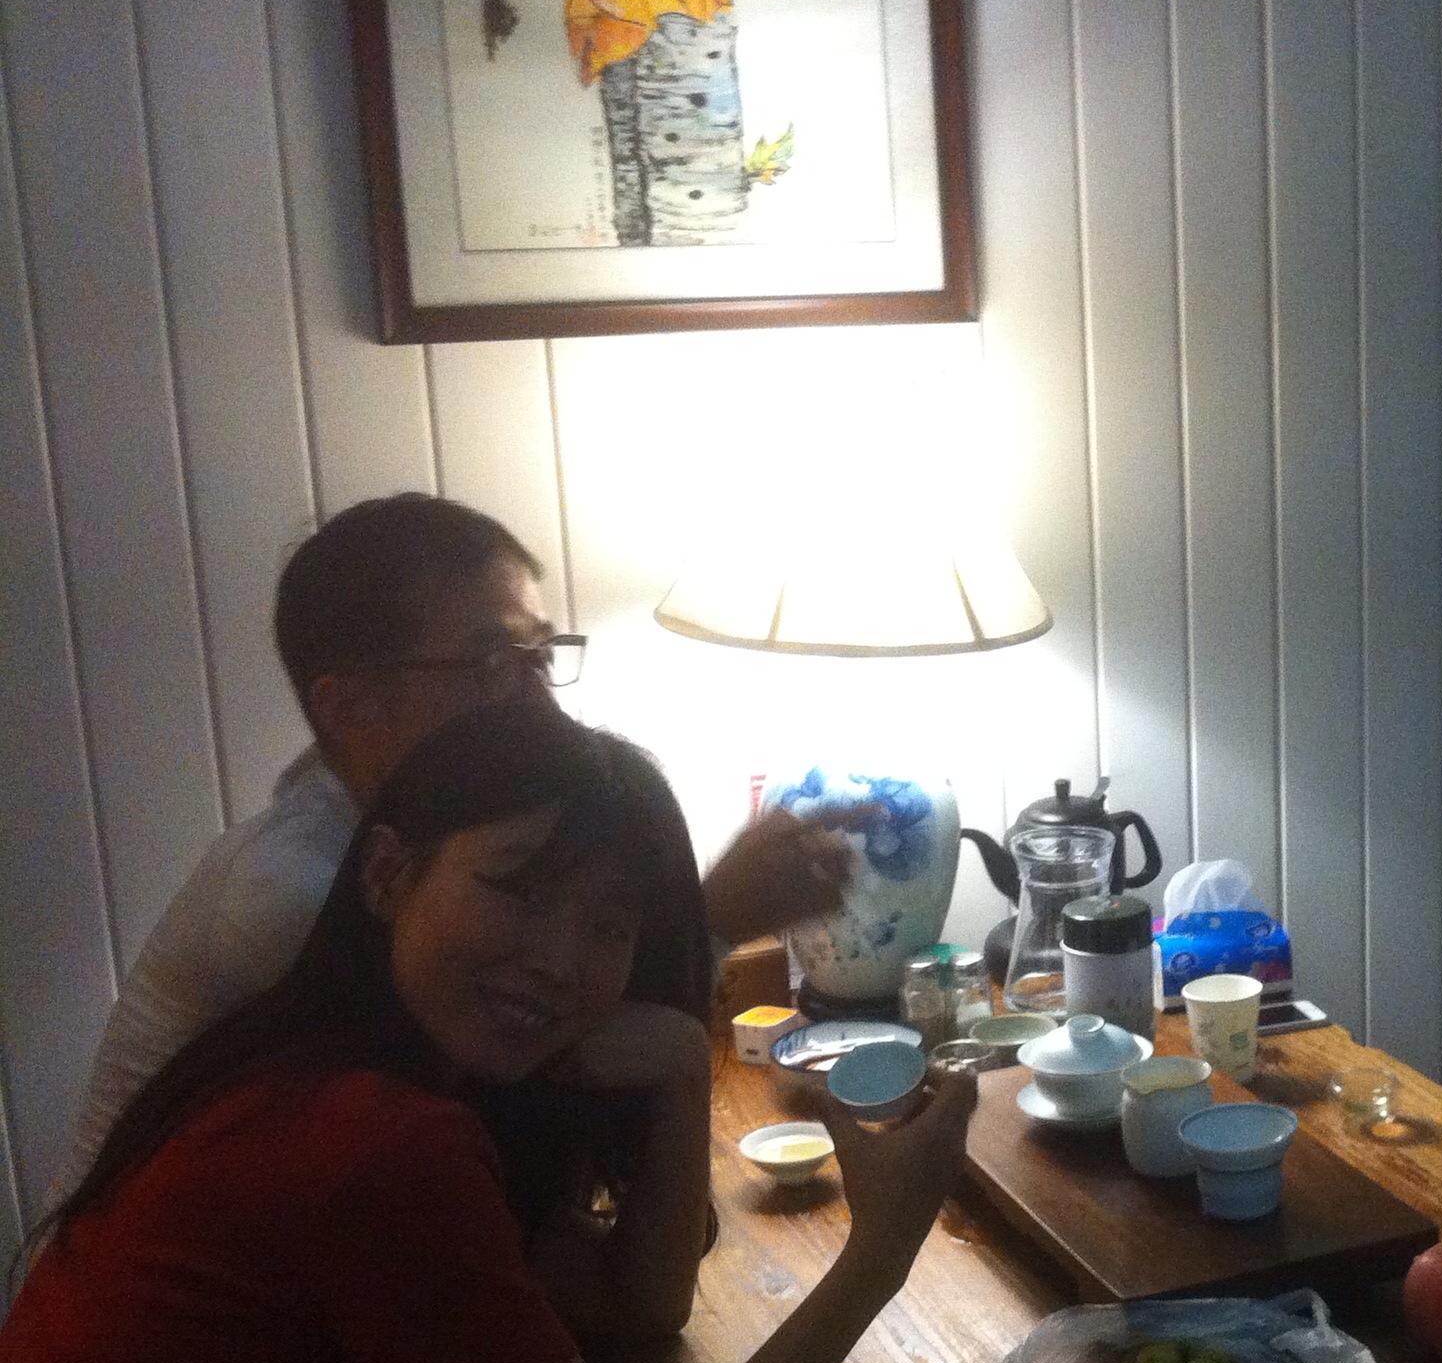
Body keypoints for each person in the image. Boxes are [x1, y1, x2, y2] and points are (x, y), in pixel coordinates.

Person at [0, 700, 978, 1363]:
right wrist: (877, 1256)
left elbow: (640, 1305)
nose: (560, 959)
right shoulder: (373, 1147)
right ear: (388, 874)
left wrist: (681, 1066)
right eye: (519, 889)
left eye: (608, 925)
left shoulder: (314, 1064)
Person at [67, 493, 857, 1190]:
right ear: (350, 711)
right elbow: (528, 1101)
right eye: (493, 664)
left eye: (539, 655)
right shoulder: (292, 892)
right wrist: (706, 923)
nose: (542, 706)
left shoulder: (402, 819)